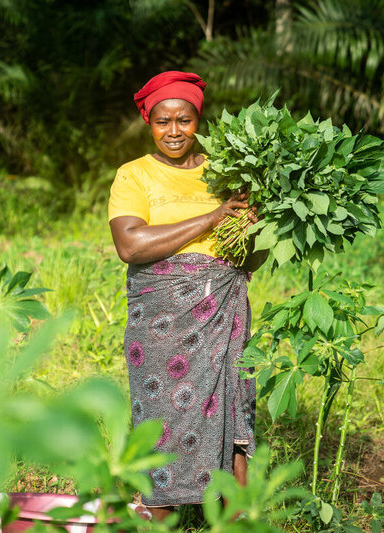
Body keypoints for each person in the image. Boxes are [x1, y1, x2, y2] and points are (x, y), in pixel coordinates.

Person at [107, 71, 268, 521]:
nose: (173, 131)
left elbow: (250, 259)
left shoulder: (226, 172)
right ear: (149, 122)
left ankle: (234, 517)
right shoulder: (133, 175)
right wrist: (212, 218)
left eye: (184, 119)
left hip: (223, 306)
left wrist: (257, 225)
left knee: (231, 406)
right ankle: (162, 514)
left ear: (199, 119)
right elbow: (130, 245)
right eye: (162, 121)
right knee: (162, 415)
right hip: (161, 317)